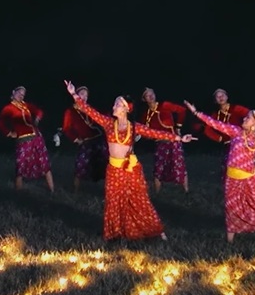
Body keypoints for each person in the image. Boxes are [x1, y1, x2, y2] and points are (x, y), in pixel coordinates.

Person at [64, 80, 195, 242]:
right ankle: (115, 232)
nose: (114, 106)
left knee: (139, 200)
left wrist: (179, 138)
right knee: (114, 201)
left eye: (118, 104)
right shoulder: (108, 123)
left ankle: (156, 230)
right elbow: (89, 110)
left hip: (131, 170)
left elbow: (155, 133)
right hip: (113, 170)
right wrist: (73, 93)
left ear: (126, 108)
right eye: (114, 103)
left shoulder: (134, 127)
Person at [187, 101, 255, 242]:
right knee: (232, 209)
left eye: (248, 118)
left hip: (251, 180)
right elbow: (215, 124)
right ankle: (229, 243)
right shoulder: (235, 131)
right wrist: (196, 112)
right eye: (245, 117)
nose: (244, 119)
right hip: (232, 180)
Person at [0, 86, 56, 191]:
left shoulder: (26, 105)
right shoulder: (8, 108)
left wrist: (37, 120)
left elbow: (39, 111)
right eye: (19, 93)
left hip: (36, 137)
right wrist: (10, 133)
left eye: (23, 95)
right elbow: (0, 124)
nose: (21, 96)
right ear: (13, 92)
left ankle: (52, 191)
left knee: (44, 163)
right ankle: (19, 193)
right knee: (21, 165)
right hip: (23, 140)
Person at [135, 88, 190, 193]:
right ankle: (157, 193)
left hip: (174, 141)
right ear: (144, 99)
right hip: (160, 143)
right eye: (147, 95)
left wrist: (178, 127)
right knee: (158, 168)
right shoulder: (145, 115)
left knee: (179, 165)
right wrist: (143, 136)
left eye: (152, 93)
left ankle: (186, 192)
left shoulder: (164, 105)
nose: (151, 96)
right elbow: (144, 131)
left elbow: (182, 110)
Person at [62, 86, 108, 192]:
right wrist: (76, 139)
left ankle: (107, 191)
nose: (85, 97)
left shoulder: (89, 109)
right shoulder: (70, 111)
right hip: (85, 142)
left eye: (86, 95)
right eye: (82, 94)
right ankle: (75, 191)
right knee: (81, 165)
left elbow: (99, 119)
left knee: (105, 164)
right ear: (76, 95)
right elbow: (66, 129)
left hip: (98, 139)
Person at [194, 89, 250, 169]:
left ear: (227, 97)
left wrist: (248, 130)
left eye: (222, 95)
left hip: (242, 142)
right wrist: (219, 138)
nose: (221, 97)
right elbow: (208, 127)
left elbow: (250, 115)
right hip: (228, 145)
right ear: (215, 101)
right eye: (218, 97)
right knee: (229, 168)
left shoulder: (236, 108)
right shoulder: (216, 114)